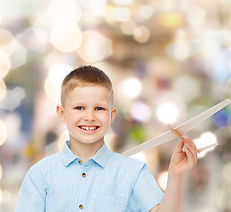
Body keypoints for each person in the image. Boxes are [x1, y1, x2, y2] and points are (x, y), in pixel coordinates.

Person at [15, 65, 198, 212]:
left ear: (111, 115)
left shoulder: (132, 172)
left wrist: (175, 176)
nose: (89, 116)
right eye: (79, 108)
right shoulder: (40, 174)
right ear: (62, 114)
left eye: (99, 108)